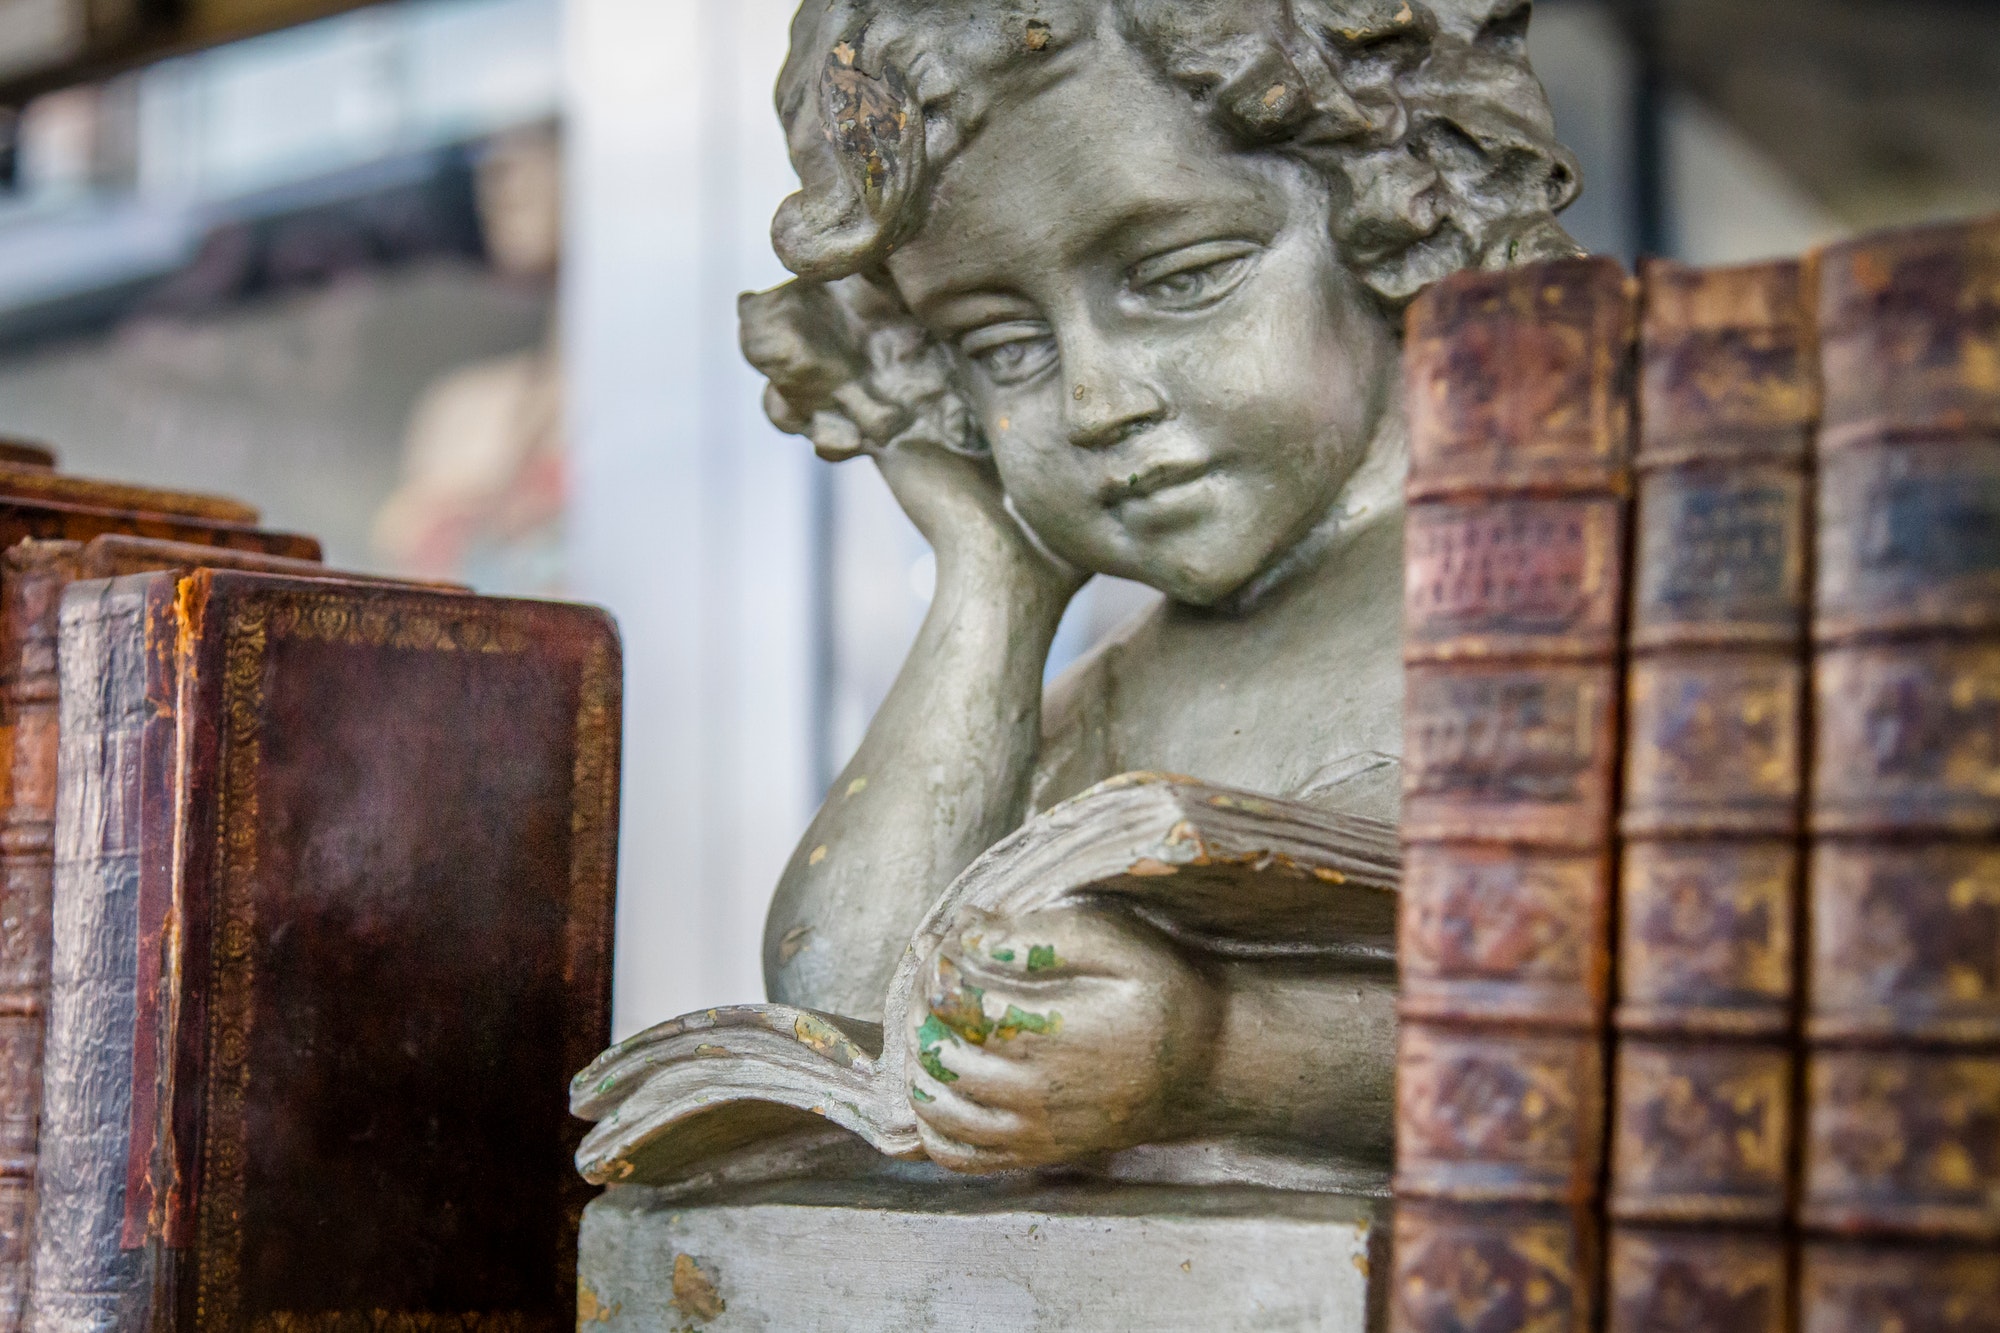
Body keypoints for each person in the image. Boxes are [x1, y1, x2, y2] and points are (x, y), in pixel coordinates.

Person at [739, 0, 1581, 1173]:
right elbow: (840, 1010)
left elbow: (1629, 1030)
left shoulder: (1552, 608)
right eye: (1001, 350)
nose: (1095, 403)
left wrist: (1217, 1048)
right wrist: (992, 578)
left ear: (1390, 214)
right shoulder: (1084, 704)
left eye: (1181, 278)